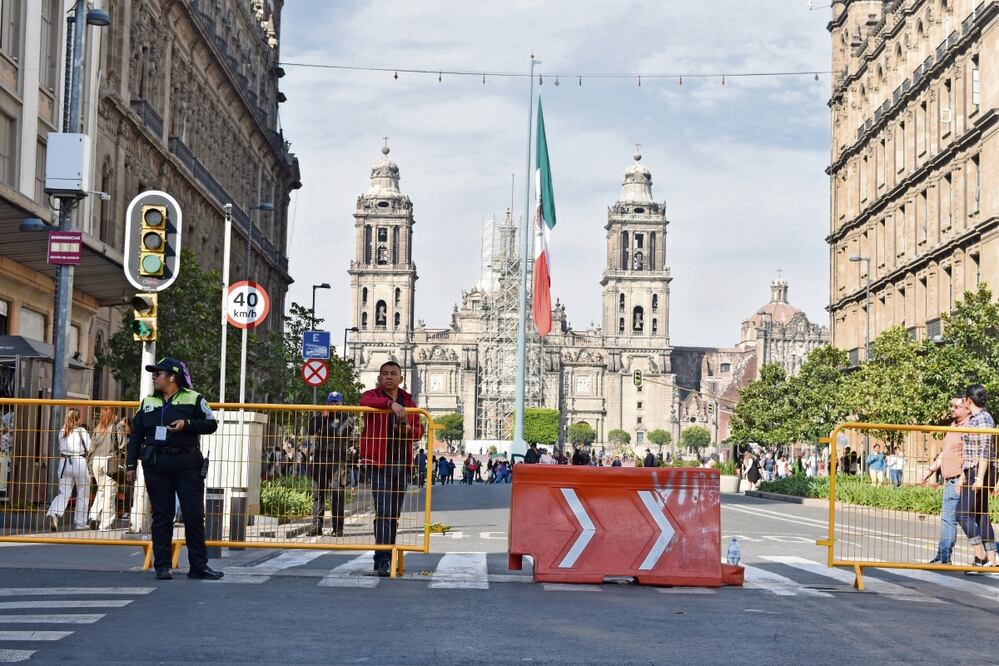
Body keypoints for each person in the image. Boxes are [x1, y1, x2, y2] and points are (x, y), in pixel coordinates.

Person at [125, 358, 222, 581]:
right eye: (153, 373)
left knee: (193, 515)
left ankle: (198, 567)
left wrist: (186, 424)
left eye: (158, 373)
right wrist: (131, 465)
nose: (154, 377)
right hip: (156, 465)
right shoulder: (147, 402)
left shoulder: (193, 398)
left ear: (172, 377)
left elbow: (211, 424)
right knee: (162, 516)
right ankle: (162, 566)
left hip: (187, 464)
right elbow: (136, 436)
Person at [359, 361, 424, 577]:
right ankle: (383, 559)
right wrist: (390, 404)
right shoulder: (372, 395)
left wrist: (407, 429)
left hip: (401, 465)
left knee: (393, 514)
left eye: (393, 373)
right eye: (385, 373)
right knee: (383, 513)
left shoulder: (409, 401)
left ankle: (388, 555)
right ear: (379, 378)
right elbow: (364, 401)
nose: (389, 377)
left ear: (401, 378)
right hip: (380, 464)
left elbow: (419, 431)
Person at [924, 395, 970, 565]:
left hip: (958, 480)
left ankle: (944, 557)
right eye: (952, 405)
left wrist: (962, 478)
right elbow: (945, 453)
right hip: (950, 479)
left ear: (967, 408)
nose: (952, 409)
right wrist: (930, 470)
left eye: (956, 406)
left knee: (951, 520)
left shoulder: (968, 427)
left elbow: (969, 455)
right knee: (951, 519)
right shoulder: (953, 426)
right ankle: (942, 556)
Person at [955, 383, 997, 570]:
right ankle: (992, 560)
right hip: (971, 470)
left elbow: (985, 451)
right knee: (981, 516)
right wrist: (963, 475)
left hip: (979, 471)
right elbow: (969, 450)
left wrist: (979, 478)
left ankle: (980, 556)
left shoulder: (983, 419)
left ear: (968, 400)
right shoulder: (975, 419)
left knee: (962, 513)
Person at [306, 392, 353, 537]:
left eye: (337, 402)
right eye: (331, 402)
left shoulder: (347, 417)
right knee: (317, 495)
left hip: (338, 461)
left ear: (342, 404)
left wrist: (326, 425)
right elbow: (311, 430)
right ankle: (316, 527)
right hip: (320, 460)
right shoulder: (321, 417)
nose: (334, 405)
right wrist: (324, 418)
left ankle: (337, 529)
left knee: (337, 495)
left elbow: (340, 432)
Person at [46, 407, 91, 531]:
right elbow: (89, 447)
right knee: (83, 493)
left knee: (64, 492)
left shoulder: (62, 432)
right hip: (79, 462)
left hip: (64, 463)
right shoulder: (82, 431)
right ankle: (80, 522)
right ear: (79, 419)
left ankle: (54, 512)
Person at [88, 407, 120, 530]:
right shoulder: (116, 427)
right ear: (114, 415)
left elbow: (91, 449)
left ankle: (93, 516)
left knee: (101, 489)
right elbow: (123, 445)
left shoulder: (97, 428)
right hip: (110, 460)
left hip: (96, 461)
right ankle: (106, 523)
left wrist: (90, 466)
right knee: (109, 492)